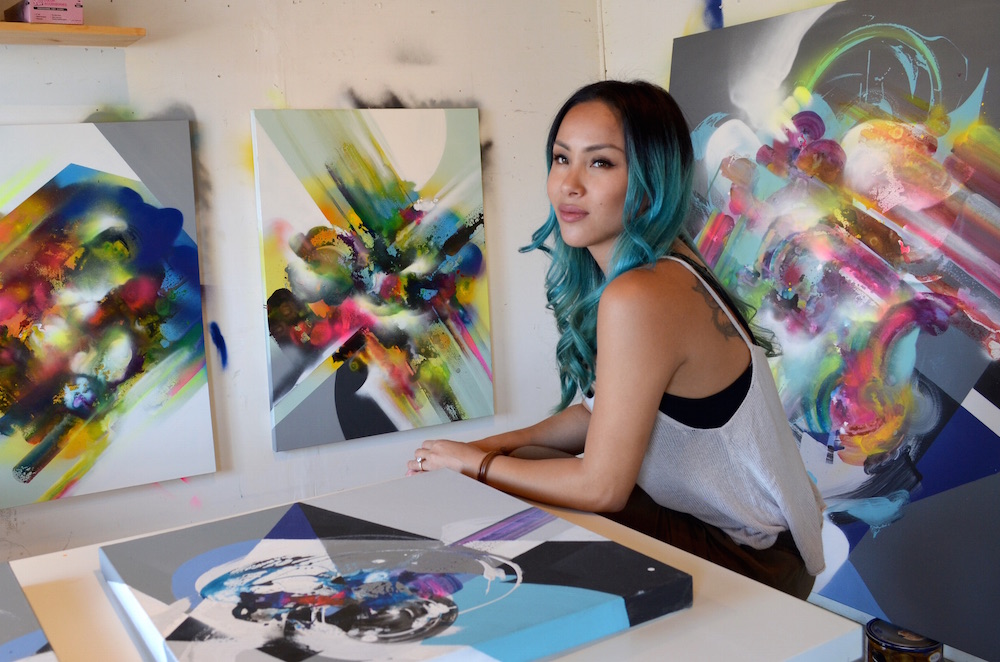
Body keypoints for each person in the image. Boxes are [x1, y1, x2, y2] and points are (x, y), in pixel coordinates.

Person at [407, 80, 825, 599]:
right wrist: (485, 448)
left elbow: (602, 487)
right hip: (749, 535)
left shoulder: (641, 294)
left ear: (650, 181)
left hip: (749, 557)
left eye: (600, 163)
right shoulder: (663, 265)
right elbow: (597, 415)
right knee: (526, 463)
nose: (569, 185)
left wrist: (476, 464)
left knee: (517, 491)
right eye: (562, 159)